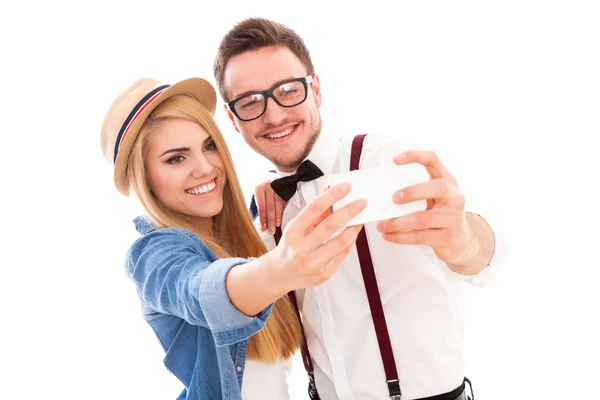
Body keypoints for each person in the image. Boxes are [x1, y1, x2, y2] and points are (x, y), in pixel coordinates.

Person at [214, 18, 507, 400]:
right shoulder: (262, 214)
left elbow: (491, 249)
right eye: (251, 101)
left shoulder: (388, 159)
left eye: (287, 90)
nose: (273, 115)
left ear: (315, 89)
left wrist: (465, 241)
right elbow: (267, 352)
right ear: (234, 120)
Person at [99, 77, 368, 400]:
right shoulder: (154, 254)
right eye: (176, 158)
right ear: (145, 179)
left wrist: (278, 183)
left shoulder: (244, 228)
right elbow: (199, 292)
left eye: (209, 146)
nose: (205, 168)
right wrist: (281, 269)